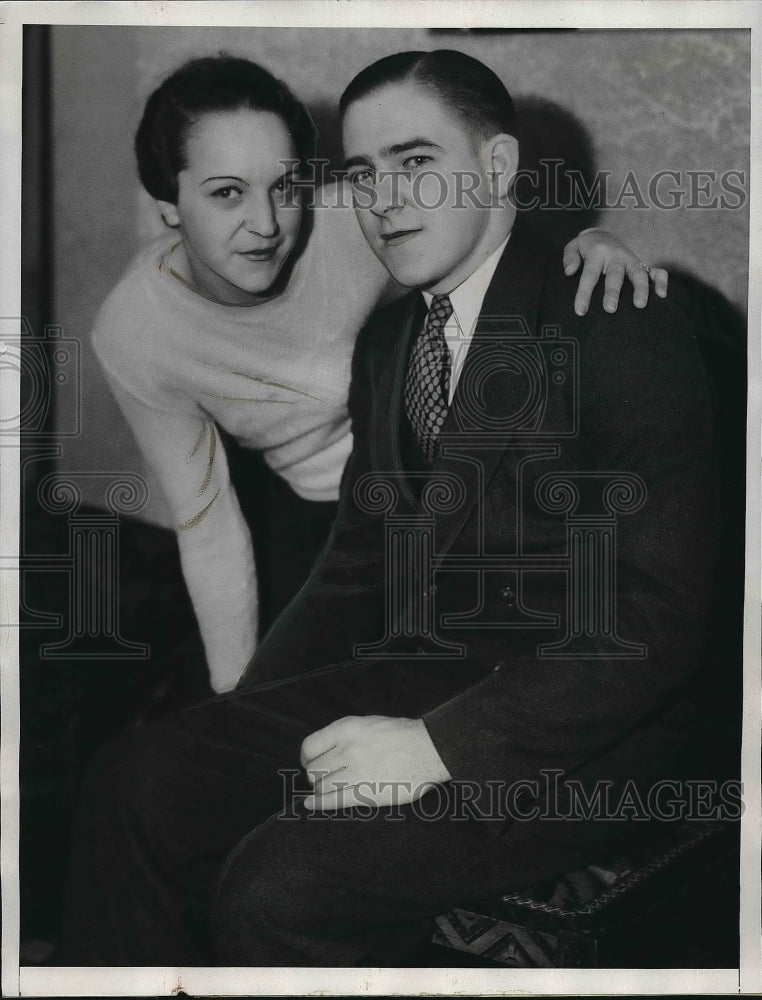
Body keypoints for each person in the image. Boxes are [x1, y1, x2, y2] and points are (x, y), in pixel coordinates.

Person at [61, 49, 716, 967]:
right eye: (363, 175)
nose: (385, 200)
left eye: (416, 163)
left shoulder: (614, 320)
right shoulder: (390, 344)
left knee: (278, 887)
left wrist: (445, 747)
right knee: (137, 780)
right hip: (430, 671)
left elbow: (660, 621)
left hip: (593, 731)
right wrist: (248, 714)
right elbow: (361, 563)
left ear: (496, 169)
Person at [92, 55, 669, 693]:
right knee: (290, 694)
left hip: (434, 474)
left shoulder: (356, 217)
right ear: (167, 204)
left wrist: (588, 246)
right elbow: (209, 525)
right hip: (316, 514)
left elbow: (486, 240)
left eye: (285, 186)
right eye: (227, 191)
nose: (266, 224)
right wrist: (233, 698)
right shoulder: (134, 332)